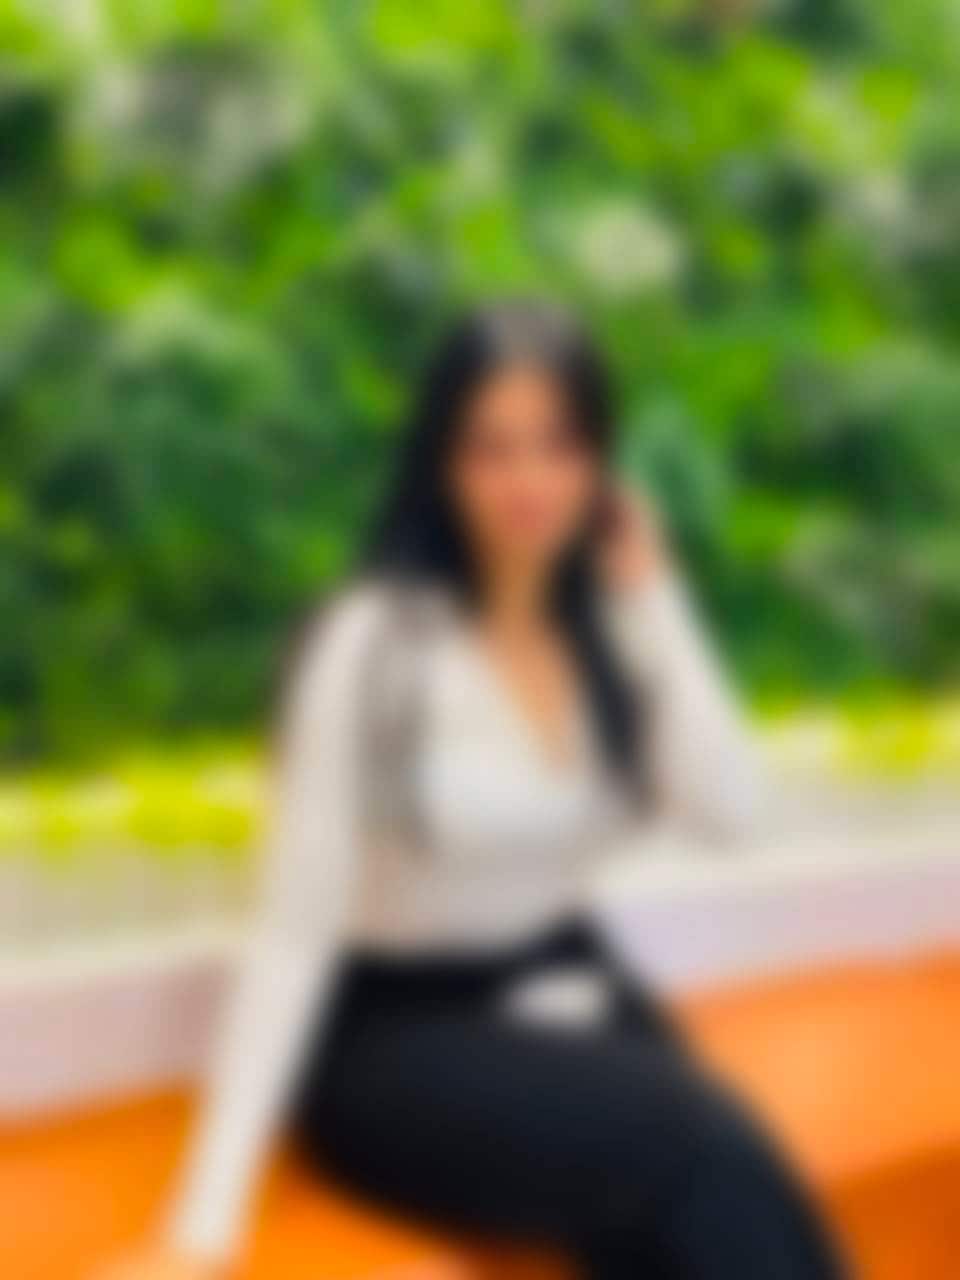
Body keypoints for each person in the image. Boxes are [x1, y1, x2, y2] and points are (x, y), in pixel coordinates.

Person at [102, 300, 846, 1279]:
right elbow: (290, 935)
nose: (528, 480)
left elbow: (735, 815)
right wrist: (202, 1229)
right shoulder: (373, 643)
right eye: (492, 448)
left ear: (599, 464)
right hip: (393, 1035)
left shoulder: (609, 633)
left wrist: (653, 591)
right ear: (442, 466)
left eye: (558, 445)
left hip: (568, 983)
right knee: (697, 1142)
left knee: (708, 1181)